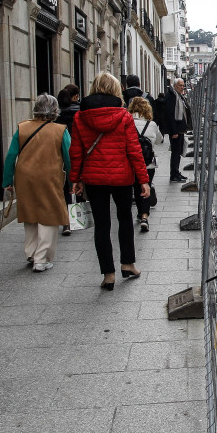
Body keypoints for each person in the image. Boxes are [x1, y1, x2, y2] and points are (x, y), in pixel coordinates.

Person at [69, 72, 150, 291]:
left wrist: (75, 178)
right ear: (115, 90)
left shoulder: (80, 117)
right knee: (124, 219)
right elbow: (134, 151)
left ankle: (108, 274)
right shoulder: (124, 116)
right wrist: (143, 179)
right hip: (121, 177)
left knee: (102, 225)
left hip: (94, 179)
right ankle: (128, 264)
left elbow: (76, 151)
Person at [2, 93, 71, 273]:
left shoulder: (22, 128)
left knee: (30, 213)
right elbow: (69, 157)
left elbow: (11, 156)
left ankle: (31, 252)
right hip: (49, 176)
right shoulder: (60, 130)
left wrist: (7, 180)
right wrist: (73, 179)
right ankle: (41, 259)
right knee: (50, 215)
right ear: (55, 110)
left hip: (24, 176)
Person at [127, 96, 163, 232]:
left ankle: (139, 212)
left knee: (136, 187)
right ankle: (144, 216)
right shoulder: (152, 125)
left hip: (132, 163)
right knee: (146, 187)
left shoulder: (127, 122)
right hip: (148, 163)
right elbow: (159, 140)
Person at [55, 84, 81, 236]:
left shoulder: (56, 114)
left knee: (64, 187)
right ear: (75, 96)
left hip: (59, 153)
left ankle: (66, 223)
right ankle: (77, 217)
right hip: (76, 151)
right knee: (77, 184)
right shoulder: (80, 112)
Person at [164, 77, 191, 182]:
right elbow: (170, 115)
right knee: (175, 152)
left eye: (183, 85)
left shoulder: (178, 96)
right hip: (176, 130)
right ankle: (174, 174)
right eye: (180, 85)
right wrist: (173, 131)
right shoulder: (172, 96)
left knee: (178, 151)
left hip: (180, 129)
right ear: (175, 85)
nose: (182, 87)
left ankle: (176, 172)